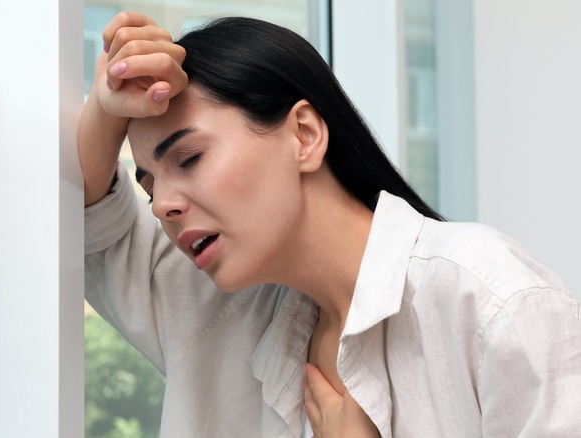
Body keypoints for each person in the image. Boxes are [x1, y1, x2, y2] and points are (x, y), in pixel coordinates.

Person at [78, 12, 581, 438]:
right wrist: (105, 107)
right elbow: (88, 221)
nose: (162, 204)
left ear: (304, 135)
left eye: (188, 158)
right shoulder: (220, 319)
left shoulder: (489, 299)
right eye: (148, 187)